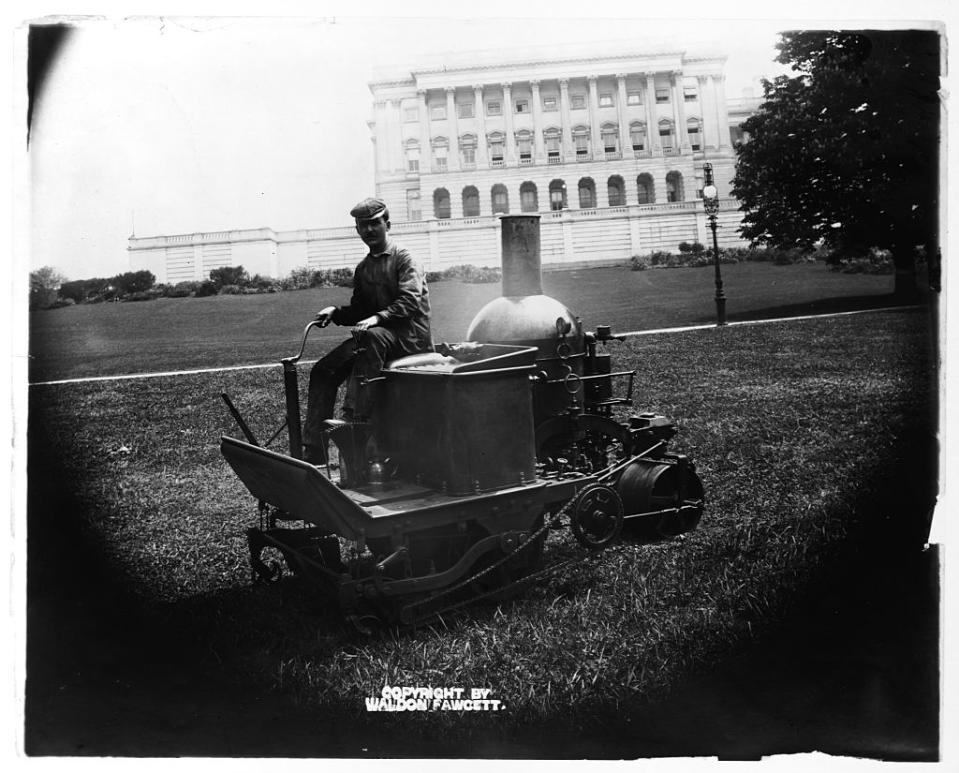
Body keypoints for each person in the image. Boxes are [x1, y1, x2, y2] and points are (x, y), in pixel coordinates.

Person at [302, 197, 432, 464]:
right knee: (324, 369)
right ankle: (314, 449)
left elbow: (410, 301)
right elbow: (360, 309)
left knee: (370, 336)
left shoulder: (405, 258)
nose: (370, 230)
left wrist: (377, 318)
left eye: (375, 224)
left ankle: (354, 422)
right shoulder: (364, 268)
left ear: (388, 224)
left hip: (409, 338)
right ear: (358, 230)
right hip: (377, 337)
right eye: (364, 226)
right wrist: (335, 313)